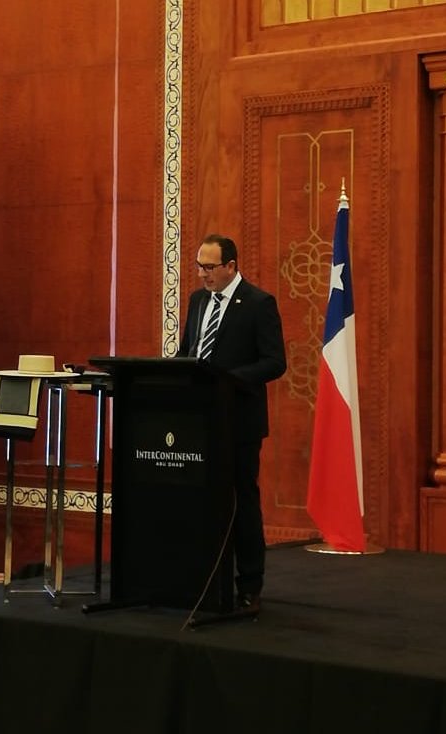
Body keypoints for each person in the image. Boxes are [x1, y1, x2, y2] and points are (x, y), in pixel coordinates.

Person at [177, 234, 287, 617]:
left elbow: (275, 362)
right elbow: (189, 352)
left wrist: (228, 380)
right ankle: (203, 580)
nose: (203, 274)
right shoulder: (198, 301)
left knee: (242, 503)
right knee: (200, 501)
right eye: (199, 266)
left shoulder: (258, 303)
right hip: (199, 422)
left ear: (230, 266)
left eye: (209, 267)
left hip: (239, 422)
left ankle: (249, 585)